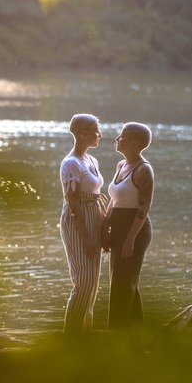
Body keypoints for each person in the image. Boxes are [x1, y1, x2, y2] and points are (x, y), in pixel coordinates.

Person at [105, 122, 154, 329]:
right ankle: (138, 338)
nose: (117, 139)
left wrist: (130, 239)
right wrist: (104, 227)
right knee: (124, 283)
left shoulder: (144, 170)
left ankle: (116, 336)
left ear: (134, 144)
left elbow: (144, 208)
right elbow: (113, 200)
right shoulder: (121, 166)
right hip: (117, 227)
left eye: (122, 137)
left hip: (135, 228)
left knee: (122, 285)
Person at [59, 114, 105, 333]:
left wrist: (104, 226)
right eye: (97, 130)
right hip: (79, 220)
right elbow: (73, 201)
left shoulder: (91, 160)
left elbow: (96, 195)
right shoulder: (71, 163)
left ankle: (84, 335)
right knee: (83, 281)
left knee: (93, 282)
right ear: (83, 134)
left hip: (93, 216)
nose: (100, 135)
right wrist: (86, 236)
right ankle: (72, 336)